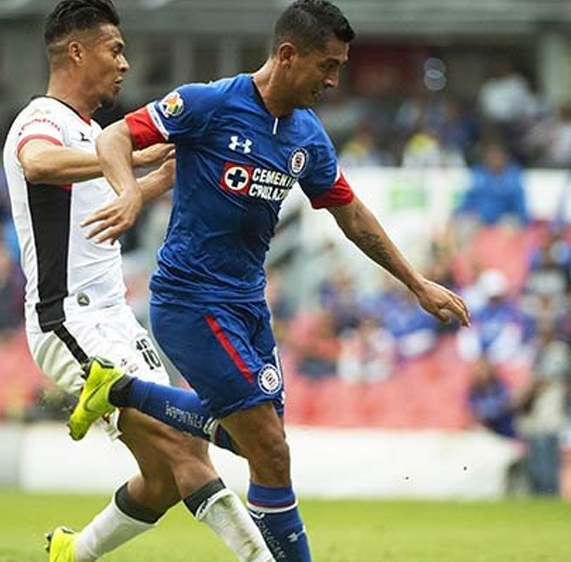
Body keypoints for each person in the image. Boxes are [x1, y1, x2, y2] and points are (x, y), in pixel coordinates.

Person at [71, 2, 471, 561]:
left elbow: (349, 213)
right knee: (273, 451)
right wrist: (130, 192)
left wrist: (416, 283)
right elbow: (114, 137)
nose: (334, 80)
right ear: (287, 55)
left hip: (249, 308)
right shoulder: (209, 103)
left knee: (254, 447)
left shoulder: (306, 136)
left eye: (339, 68)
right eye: (326, 66)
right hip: (190, 301)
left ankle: (119, 390)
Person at [1, 2, 274, 562]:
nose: (125, 63)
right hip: (68, 319)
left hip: (117, 319)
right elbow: (38, 165)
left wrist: (163, 176)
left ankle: (72, 554)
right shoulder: (42, 119)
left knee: (170, 473)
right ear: (76, 51)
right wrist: (122, 156)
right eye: (115, 49)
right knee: (183, 449)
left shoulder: (95, 134)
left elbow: (108, 207)